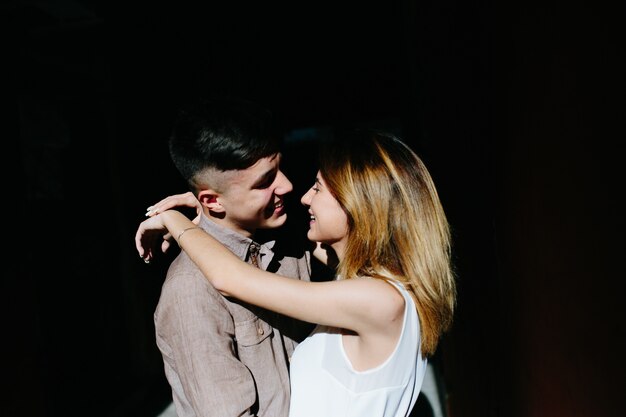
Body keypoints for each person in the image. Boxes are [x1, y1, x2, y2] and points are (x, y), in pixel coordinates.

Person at [136, 129, 457, 417]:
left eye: (318, 189)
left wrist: (174, 221)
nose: (303, 196)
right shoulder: (375, 284)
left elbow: (231, 279)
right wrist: (215, 204)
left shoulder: (379, 301)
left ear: (357, 206)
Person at [144, 96, 314, 417]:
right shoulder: (191, 290)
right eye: (265, 182)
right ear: (212, 201)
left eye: (280, 169)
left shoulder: (291, 241)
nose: (287, 186)